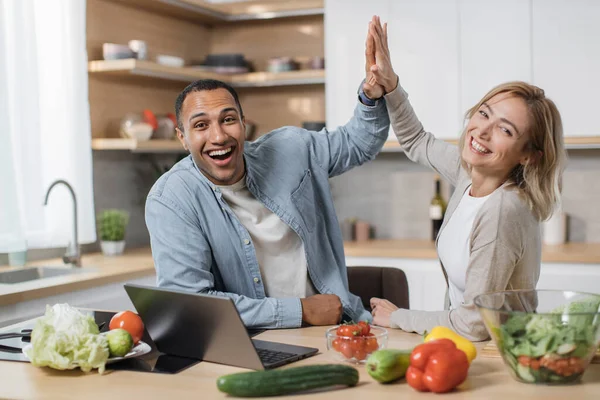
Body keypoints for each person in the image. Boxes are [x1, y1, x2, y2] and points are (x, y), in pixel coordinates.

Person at [145, 44, 390, 329]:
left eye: (228, 120)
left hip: (340, 328)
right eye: (201, 125)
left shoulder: (291, 149)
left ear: (243, 124)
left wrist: (371, 94)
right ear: (183, 138)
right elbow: (192, 304)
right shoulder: (172, 199)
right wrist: (301, 311)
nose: (218, 136)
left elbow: (358, 143)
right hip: (256, 343)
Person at [366, 16, 567, 340]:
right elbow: (417, 140)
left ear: (528, 154)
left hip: (500, 356)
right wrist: (391, 85)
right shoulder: (469, 176)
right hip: (470, 348)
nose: (482, 131)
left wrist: (399, 316)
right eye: (484, 113)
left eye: (505, 129)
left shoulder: (503, 210)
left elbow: (474, 323)